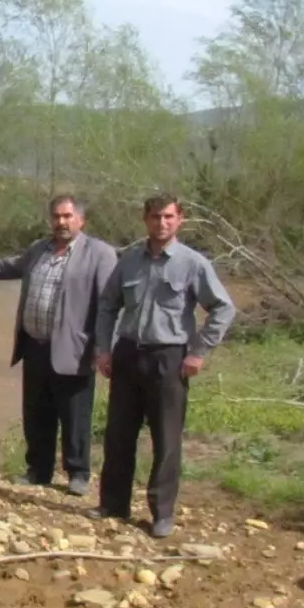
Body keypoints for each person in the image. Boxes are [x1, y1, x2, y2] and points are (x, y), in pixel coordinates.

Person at [0, 195, 117, 496]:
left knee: (74, 414)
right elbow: (11, 266)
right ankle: (38, 471)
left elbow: (109, 304)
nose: (61, 222)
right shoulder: (39, 249)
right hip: (35, 346)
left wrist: (104, 347)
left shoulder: (100, 254)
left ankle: (78, 473)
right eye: (56, 216)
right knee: (37, 412)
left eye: (67, 216)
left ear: (81, 220)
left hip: (74, 348)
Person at [91, 193, 236, 538]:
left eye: (169, 217)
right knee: (118, 435)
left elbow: (223, 308)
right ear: (146, 220)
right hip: (127, 354)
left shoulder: (192, 263)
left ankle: (161, 514)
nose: (162, 223)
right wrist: (103, 348)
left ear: (180, 219)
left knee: (166, 440)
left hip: (169, 359)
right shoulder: (128, 261)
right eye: (156, 217)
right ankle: (113, 504)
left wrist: (198, 352)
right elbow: (108, 305)